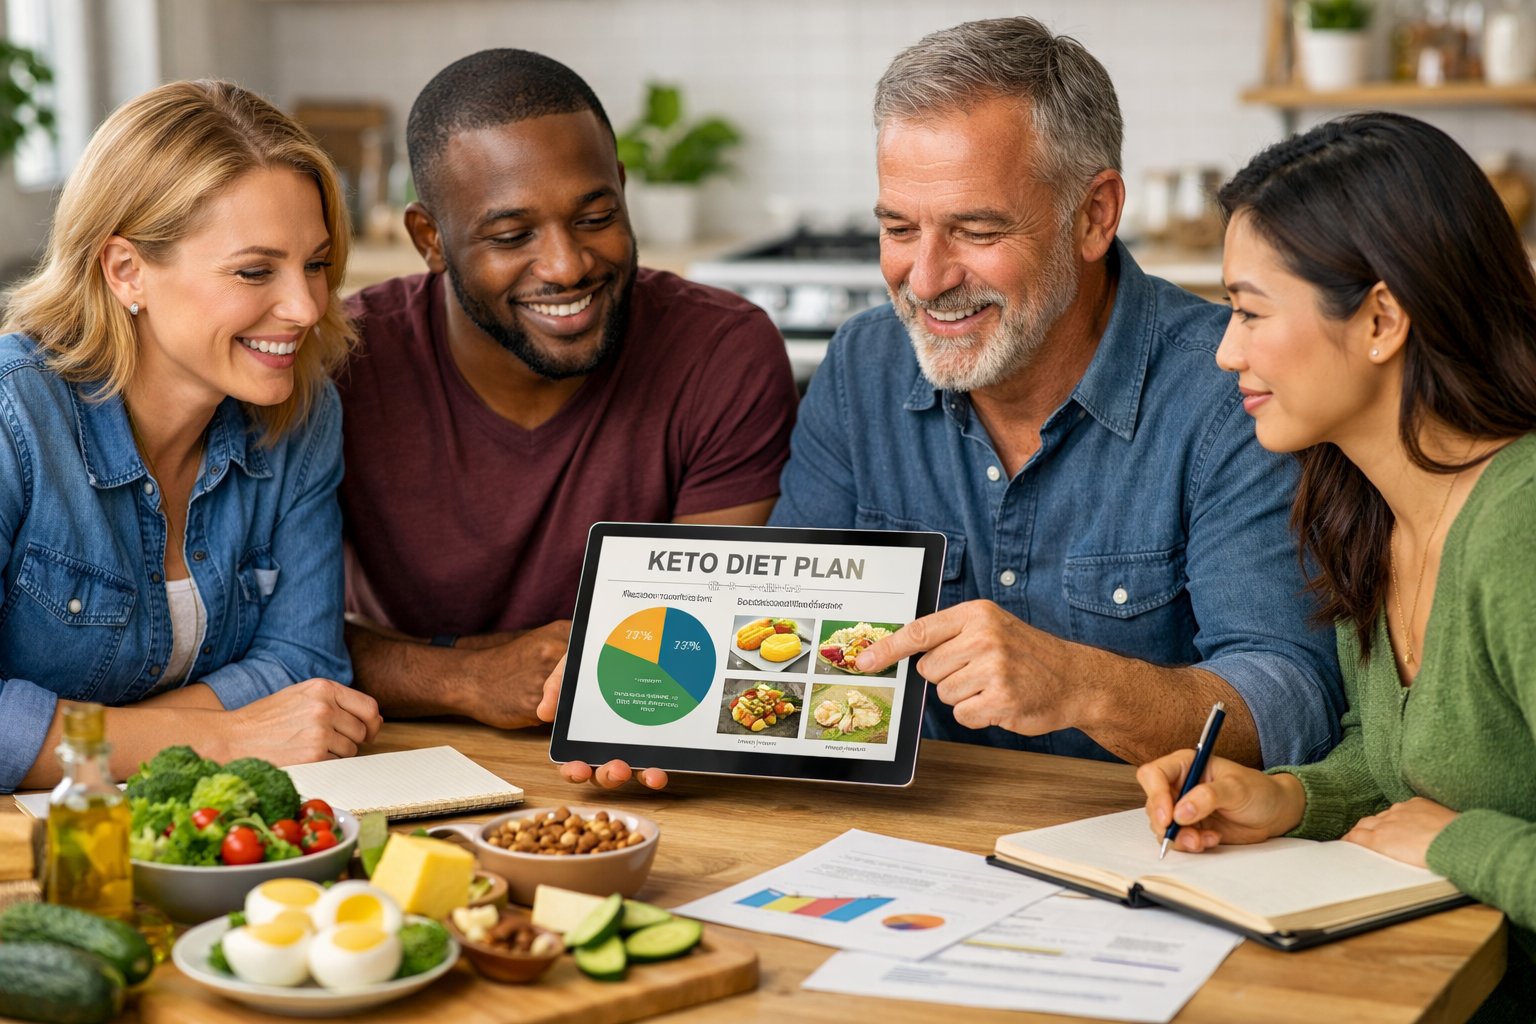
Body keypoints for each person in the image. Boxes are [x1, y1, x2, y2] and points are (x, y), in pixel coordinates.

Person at [544, 16, 1342, 791]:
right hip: (915, 839)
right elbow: (781, 628)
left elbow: (1292, 699)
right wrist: (659, 721)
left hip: (1151, 849)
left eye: (976, 230)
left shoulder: (1226, 387)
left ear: (1094, 215)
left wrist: (1081, 685)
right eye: (898, 227)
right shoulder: (864, 366)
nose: (925, 280)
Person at [1138, 113, 1536, 1019]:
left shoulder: (1522, 527)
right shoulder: (1368, 511)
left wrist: (1461, 847)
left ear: (1383, 319)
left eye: (1248, 311)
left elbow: (1445, 823)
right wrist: (1287, 797)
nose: (1224, 350)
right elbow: (1404, 772)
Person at [339, 49, 797, 732]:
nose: (567, 265)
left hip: (646, 746)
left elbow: (700, 642)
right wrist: (465, 677)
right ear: (429, 238)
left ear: (620, 185)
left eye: (593, 217)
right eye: (512, 234)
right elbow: (271, 638)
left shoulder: (722, 354)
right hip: (387, 753)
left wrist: (415, 663)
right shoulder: (340, 363)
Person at [0, 80, 382, 793]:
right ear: (127, 272)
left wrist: (94, 745)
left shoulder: (301, 411)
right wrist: (218, 737)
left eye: (317, 264)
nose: (305, 307)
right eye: (255, 271)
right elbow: (270, 718)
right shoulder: (13, 417)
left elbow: (304, 663)